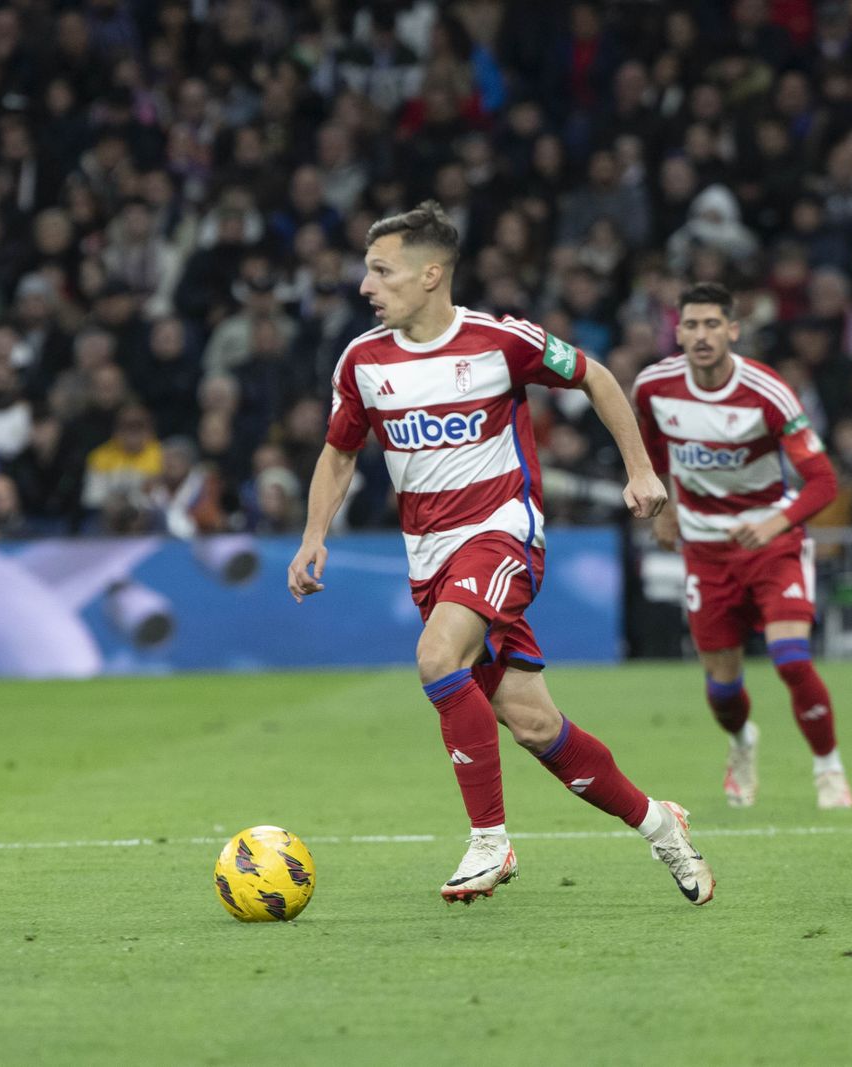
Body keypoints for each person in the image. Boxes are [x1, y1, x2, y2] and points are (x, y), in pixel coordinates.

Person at [287, 201, 714, 907]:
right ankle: (660, 823)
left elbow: (597, 377)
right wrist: (312, 536)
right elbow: (339, 451)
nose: (366, 286)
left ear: (430, 275)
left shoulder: (498, 341)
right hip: (430, 559)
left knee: (435, 658)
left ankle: (491, 840)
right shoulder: (362, 360)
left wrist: (641, 470)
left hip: (502, 533)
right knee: (534, 723)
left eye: (380, 270)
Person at [631, 283, 852, 811]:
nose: (702, 336)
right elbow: (653, 447)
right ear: (677, 331)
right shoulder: (653, 387)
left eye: (713, 325)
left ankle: (829, 768)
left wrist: (777, 521)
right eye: (691, 325)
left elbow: (823, 481)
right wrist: (664, 505)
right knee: (722, 688)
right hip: (705, 552)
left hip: (771, 546)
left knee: (791, 659)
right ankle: (741, 744)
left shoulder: (767, 391)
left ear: (733, 330)